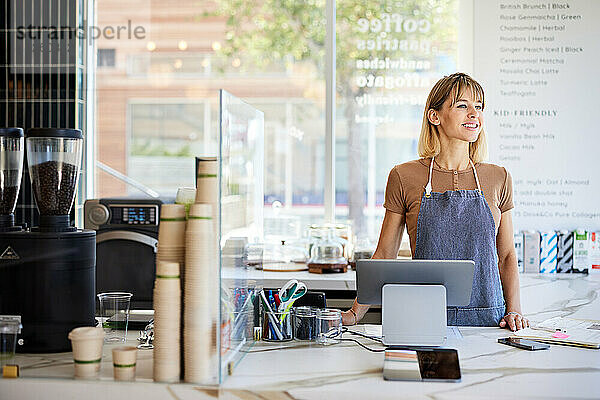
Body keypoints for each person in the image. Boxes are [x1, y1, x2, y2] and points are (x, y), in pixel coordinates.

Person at [343, 72, 529, 331]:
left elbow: (507, 255)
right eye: (463, 105)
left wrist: (515, 311)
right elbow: (386, 254)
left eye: (479, 106)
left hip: (489, 320)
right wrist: (354, 313)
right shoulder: (403, 176)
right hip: (422, 317)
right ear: (435, 116)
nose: (474, 114)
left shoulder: (499, 177)